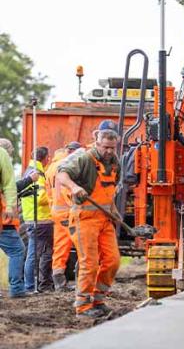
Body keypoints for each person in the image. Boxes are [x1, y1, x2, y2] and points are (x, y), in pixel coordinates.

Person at [57, 128, 120, 318]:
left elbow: (109, 192)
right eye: (106, 147)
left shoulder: (114, 163)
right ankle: (83, 306)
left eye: (112, 148)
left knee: (113, 261)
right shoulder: (84, 158)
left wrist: (114, 211)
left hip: (104, 219)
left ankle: (98, 300)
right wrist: (75, 187)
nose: (109, 151)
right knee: (89, 263)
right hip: (84, 219)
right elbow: (62, 174)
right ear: (97, 143)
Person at [46, 142, 81, 291]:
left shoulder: (50, 168)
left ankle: (59, 282)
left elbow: (49, 193)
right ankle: (83, 282)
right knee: (83, 246)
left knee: (60, 246)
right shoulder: (66, 167)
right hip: (68, 211)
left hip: (56, 211)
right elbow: (68, 191)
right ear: (72, 152)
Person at [21, 146, 53, 293]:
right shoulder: (38, 174)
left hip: (33, 217)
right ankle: (29, 286)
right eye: (48, 157)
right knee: (34, 254)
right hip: (39, 218)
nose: (50, 159)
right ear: (44, 158)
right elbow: (40, 198)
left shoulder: (28, 171)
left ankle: (40, 284)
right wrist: (54, 196)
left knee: (38, 252)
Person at [0, 138, 27, 298]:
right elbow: (10, 185)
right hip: (5, 220)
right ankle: (16, 288)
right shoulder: (2, 155)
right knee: (17, 250)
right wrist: (10, 206)